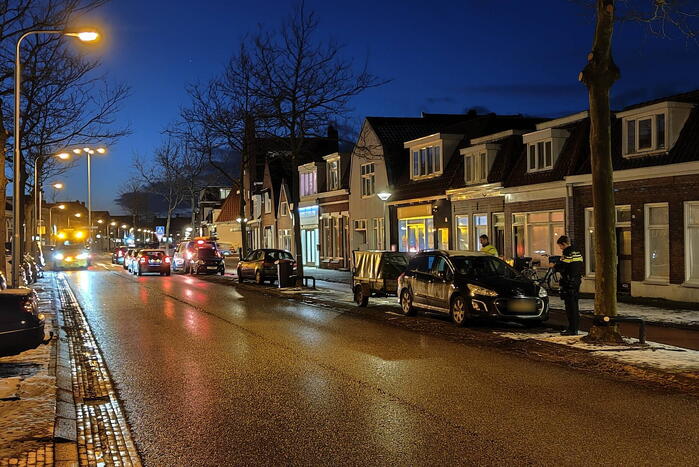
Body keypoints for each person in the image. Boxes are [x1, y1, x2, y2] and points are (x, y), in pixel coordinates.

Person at [554, 235, 584, 335]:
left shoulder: (567, 253)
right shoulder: (578, 252)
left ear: (564, 244)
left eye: (560, 246)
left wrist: (555, 266)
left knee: (570, 306)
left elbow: (563, 267)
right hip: (576, 280)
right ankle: (575, 327)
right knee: (575, 305)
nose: (560, 248)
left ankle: (571, 329)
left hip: (568, 282)